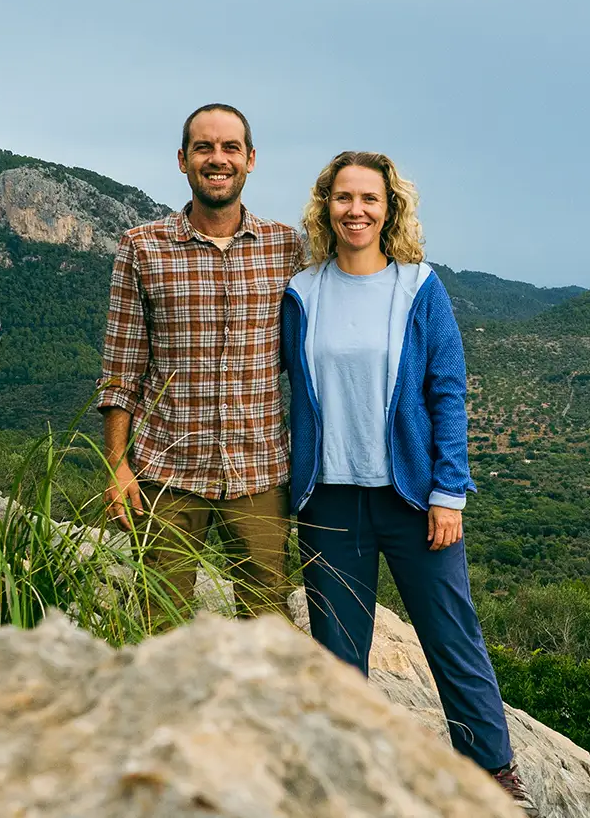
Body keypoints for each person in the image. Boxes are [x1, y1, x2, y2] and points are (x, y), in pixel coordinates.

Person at [282, 151, 536, 815]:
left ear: (389, 207)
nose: (356, 209)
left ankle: (491, 767)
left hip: (413, 498)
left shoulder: (420, 287)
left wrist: (449, 490)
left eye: (370, 198)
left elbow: (447, 393)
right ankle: (351, 770)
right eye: (344, 197)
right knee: (338, 647)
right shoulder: (302, 293)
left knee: (450, 633)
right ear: (325, 206)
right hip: (329, 500)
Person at [96, 103, 304, 630]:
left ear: (251, 159)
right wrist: (117, 466)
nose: (217, 159)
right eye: (204, 148)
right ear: (183, 160)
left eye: (230, 147)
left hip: (259, 472)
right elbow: (121, 368)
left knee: (267, 628)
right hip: (166, 474)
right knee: (157, 626)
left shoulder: (286, 248)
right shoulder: (142, 247)